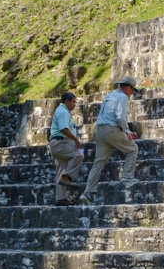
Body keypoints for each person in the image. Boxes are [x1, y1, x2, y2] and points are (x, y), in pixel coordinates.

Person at [79, 77, 140, 205]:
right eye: (132, 90)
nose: (131, 93)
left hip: (100, 131)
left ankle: (88, 192)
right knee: (133, 149)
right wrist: (127, 131)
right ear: (128, 87)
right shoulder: (123, 97)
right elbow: (121, 117)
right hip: (111, 130)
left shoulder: (110, 96)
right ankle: (127, 177)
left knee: (99, 162)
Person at [48, 91, 84, 206]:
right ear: (66, 101)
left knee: (60, 170)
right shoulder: (63, 111)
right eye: (73, 102)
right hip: (60, 143)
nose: (74, 104)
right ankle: (67, 176)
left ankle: (61, 198)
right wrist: (76, 140)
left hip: (55, 144)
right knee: (79, 154)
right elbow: (64, 129)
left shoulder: (61, 111)